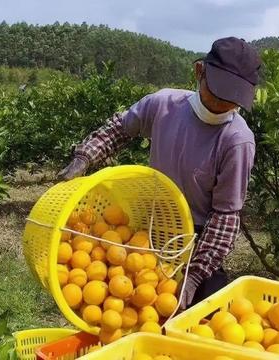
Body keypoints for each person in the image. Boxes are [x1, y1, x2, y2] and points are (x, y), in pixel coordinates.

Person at [57, 37, 260, 308]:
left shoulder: (237, 140)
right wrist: (85, 156)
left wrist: (195, 275)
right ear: (199, 72)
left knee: (206, 312)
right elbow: (120, 128)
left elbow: (225, 216)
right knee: (124, 303)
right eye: (219, 92)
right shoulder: (164, 105)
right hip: (147, 229)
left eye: (232, 99)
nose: (224, 103)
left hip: (197, 239)